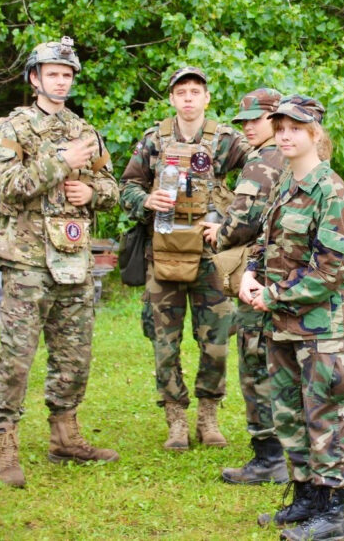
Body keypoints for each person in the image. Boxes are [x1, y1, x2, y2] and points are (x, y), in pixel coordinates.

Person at [0, 36, 121, 488]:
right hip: (27, 260)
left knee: (74, 355)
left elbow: (112, 188)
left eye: (67, 75)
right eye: (53, 74)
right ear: (35, 78)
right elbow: (6, 186)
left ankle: (65, 435)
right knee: (16, 355)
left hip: (73, 259)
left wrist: (92, 192)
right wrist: (61, 162)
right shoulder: (15, 127)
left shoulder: (85, 131)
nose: (61, 82)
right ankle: (5, 442)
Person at [239, 95, 344, 540]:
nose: (285, 135)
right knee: (290, 415)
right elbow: (265, 240)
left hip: (322, 330)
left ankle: (332, 514)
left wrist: (272, 295)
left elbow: (331, 269)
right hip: (284, 326)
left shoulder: (332, 192)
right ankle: (307, 497)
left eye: (295, 128)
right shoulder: (286, 184)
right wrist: (251, 273)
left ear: (315, 134)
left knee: (326, 417)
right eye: (280, 127)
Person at [119, 66, 250, 450]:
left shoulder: (226, 140)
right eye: (182, 92)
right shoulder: (153, 140)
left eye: (195, 91)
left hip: (211, 256)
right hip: (164, 254)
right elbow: (126, 187)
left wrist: (231, 216)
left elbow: (263, 173)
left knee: (216, 341)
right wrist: (146, 199)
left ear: (206, 98)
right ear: (172, 99)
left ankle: (208, 416)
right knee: (164, 341)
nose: (189, 98)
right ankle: (175, 418)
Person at [205, 87, 290, 485]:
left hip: (260, 276)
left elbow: (242, 221)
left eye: (257, 120)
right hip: (291, 276)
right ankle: (290, 449)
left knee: (256, 363)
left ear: (275, 119)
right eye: (244, 122)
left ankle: (268, 457)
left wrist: (217, 233)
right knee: (284, 364)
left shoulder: (262, 161)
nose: (249, 128)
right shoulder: (299, 156)